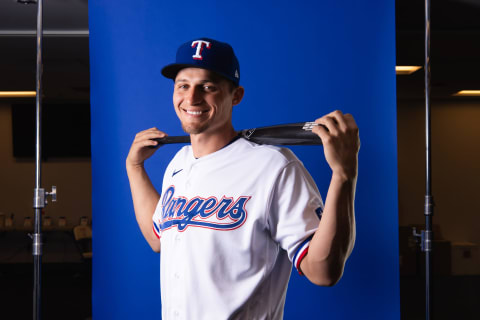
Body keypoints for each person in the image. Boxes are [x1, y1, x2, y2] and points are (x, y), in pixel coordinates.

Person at [126, 38, 360, 319]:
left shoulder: (274, 166)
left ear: (235, 95)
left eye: (208, 87)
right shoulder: (179, 163)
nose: (191, 98)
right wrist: (134, 166)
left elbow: (322, 271)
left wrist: (344, 174)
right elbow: (160, 239)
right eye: (183, 85)